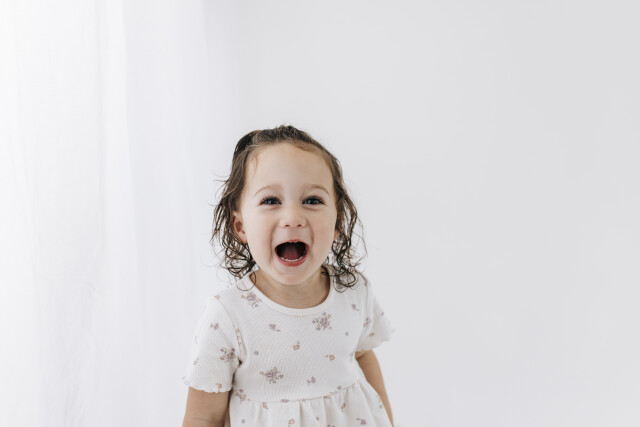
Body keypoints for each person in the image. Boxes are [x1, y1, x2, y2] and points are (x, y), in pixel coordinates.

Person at [181, 125, 394, 427]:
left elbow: (362, 356)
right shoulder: (227, 317)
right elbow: (203, 417)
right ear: (240, 226)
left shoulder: (354, 291)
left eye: (312, 200)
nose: (293, 218)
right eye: (271, 201)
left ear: (337, 222)